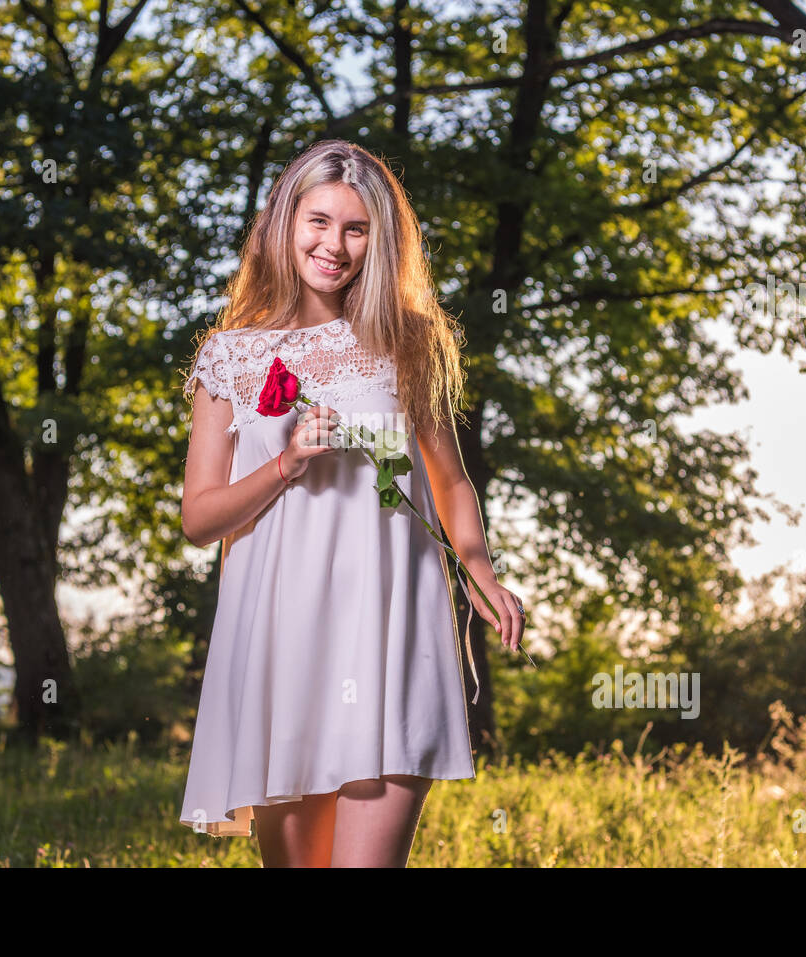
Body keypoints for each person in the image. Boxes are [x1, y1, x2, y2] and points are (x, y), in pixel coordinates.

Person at [178, 139, 526, 867]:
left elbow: (451, 479)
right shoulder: (230, 356)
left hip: (392, 624)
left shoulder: (408, 342)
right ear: (285, 221)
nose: (333, 245)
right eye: (319, 221)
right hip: (283, 640)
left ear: (379, 241)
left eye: (356, 228)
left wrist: (480, 573)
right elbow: (199, 518)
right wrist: (286, 462)